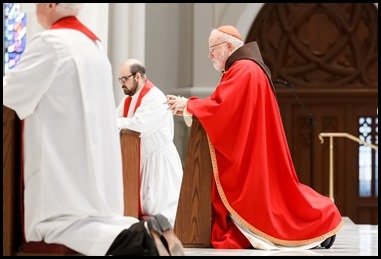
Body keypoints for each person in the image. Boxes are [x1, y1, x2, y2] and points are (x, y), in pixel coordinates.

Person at [3, 3, 184, 256]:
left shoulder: (50, 43)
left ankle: (139, 240)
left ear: (52, 5)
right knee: (92, 217)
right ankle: (139, 231)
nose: (35, 9)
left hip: (61, 161)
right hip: (93, 162)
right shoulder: (94, 47)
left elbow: (11, 94)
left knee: (59, 224)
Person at [166, 25, 343, 250]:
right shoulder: (244, 68)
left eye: (213, 49)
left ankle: (319, 224)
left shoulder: (243, 70)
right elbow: (225, 107)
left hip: (253, 153)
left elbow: (223, 108)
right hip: (256, 147)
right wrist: (190, 107)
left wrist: (190, 105)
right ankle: (319, 225)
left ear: (229, 46)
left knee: (273, 206)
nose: (210, 55)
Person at [116, 58, 184, 228]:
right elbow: (115, 118)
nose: (122, 84)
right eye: (120, 80)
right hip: (141, 160)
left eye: (125, 79)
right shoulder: (128, 100)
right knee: (147, 207)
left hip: (159, 163)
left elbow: (140, 125)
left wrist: (112, 122)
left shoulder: (155, 98)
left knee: (163, 209)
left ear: (137, 76)